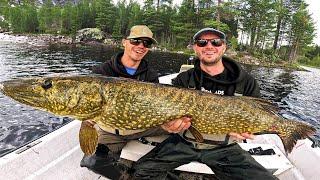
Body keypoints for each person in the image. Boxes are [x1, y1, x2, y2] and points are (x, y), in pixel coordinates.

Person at [131, 28, 278, 180]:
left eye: (216, 42)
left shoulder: (246, 82)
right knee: (142, 171)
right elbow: (169, 113)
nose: (209, 46)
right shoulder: (183, 79)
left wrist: (251, 131)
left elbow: (261, 117)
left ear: (224, 47)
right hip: (183, 143)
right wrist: (168, 126)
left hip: (225, 148)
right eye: (202, 42)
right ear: (195, 47)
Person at [80, 25, 192, 179]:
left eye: (146, 43)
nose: (141, 46)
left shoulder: (151, 76)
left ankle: (152, 167)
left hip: (143, 126)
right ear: (124, 42)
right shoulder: (102, 71)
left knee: (183, 129)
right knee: (92, 161)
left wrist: (170, 124)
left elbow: (156, 108)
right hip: (113, 130)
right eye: (136, 41)